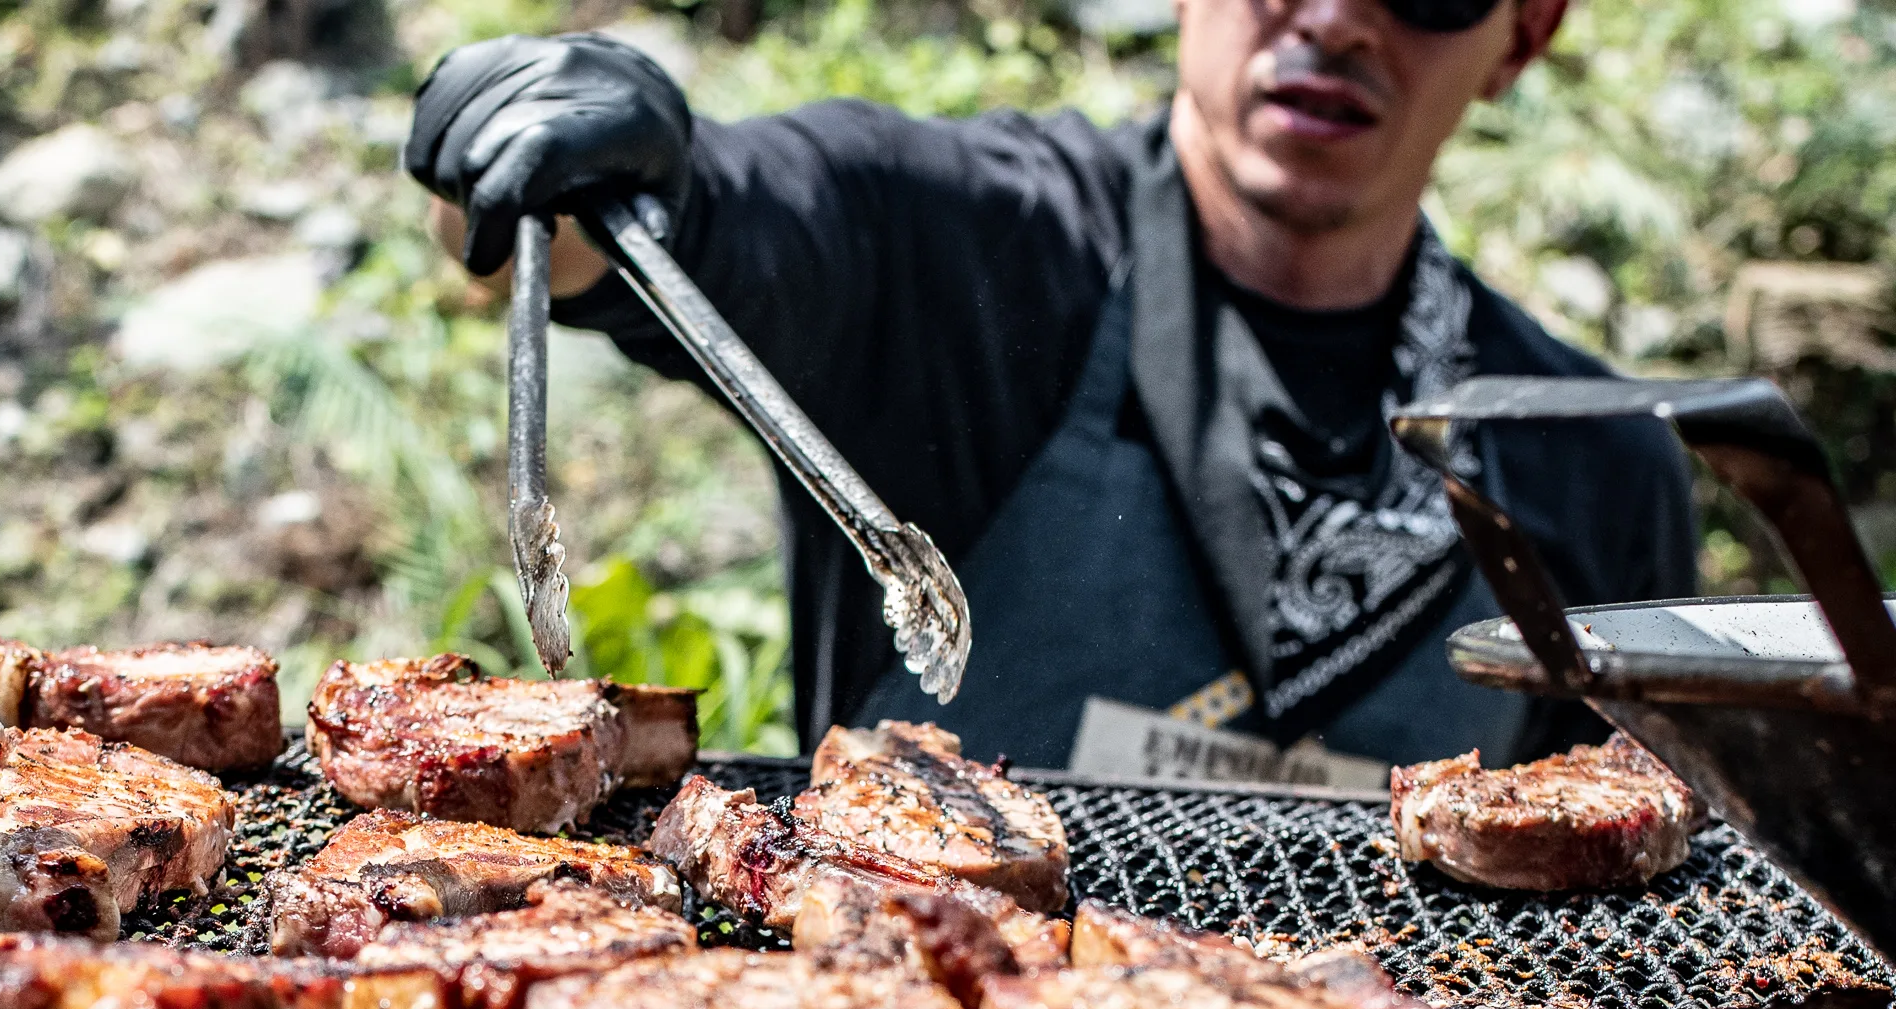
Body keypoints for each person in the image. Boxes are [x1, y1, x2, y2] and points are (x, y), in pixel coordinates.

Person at [405, 0, 1696, 770]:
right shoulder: (954, 245)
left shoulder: (1587, 460)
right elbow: (678, 225)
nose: (1339, 16)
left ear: (1524, 33)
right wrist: (550, 147)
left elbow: (1626, 906)